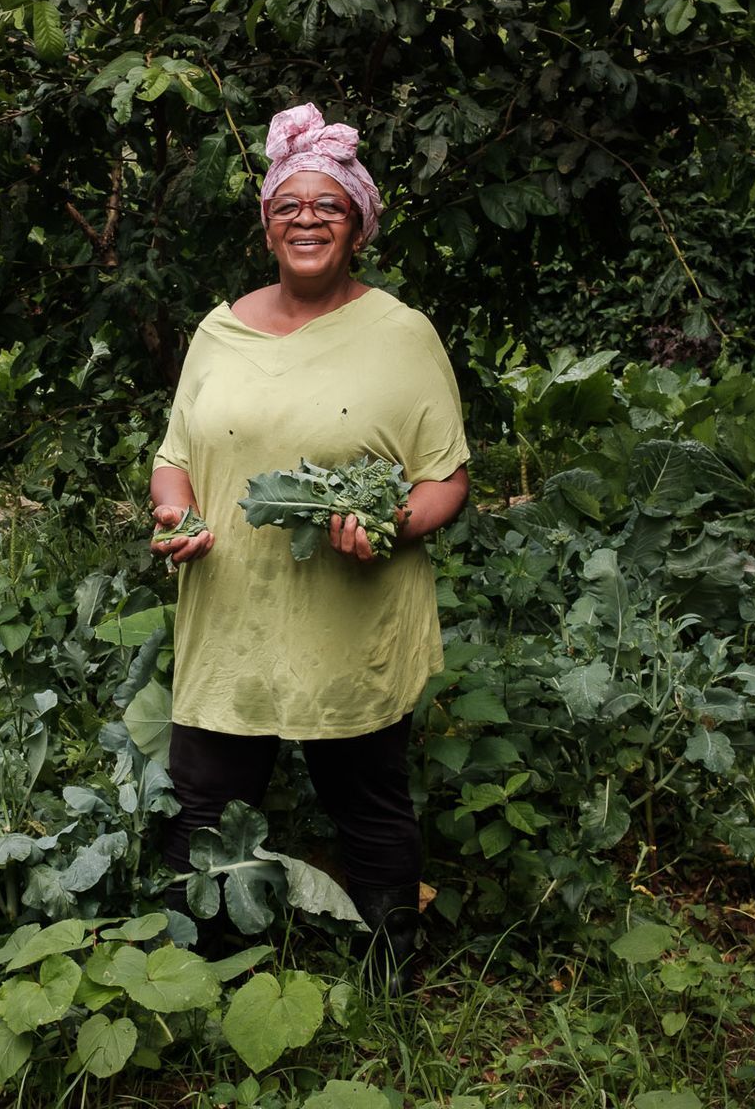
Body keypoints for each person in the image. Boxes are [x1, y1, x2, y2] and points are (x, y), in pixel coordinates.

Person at [148, 102, 471, 991]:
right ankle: (196, 982)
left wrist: (388, 524)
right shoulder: (219, 331)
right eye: (289, 207)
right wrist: (176, 516)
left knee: (367, 804)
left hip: (350, 624)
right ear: (266, 225)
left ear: (358, 224)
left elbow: (446, 477)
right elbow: (175, 457)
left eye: (329, 206)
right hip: (231, 617)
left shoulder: (401, 335)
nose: (308, 220)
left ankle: (390, 973)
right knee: (204, 808)